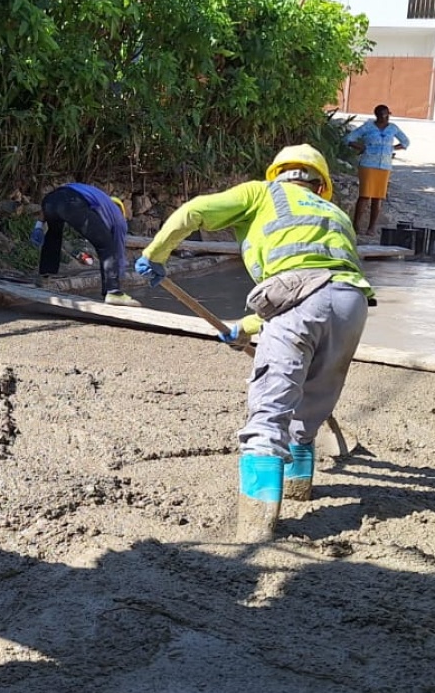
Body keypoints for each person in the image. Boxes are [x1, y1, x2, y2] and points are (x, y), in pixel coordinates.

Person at [134, 145, 374, 542]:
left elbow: (194, 212)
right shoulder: (334, 214)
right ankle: (299, 484)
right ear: (320, 184)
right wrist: (245, 327)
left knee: (270, 407)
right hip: (352, 302)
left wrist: (155, 254)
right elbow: (321, 284)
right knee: (313, 399)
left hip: (297, 298)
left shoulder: (261, 193)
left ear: (278, 173)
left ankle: (255, 529)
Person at [30, 183, 141, 306]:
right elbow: (117, 247)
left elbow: (56, 198)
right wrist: (118, 272)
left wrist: (39, 225)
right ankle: (113, 291)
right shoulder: (118, 218)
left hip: (50, 201)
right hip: (72, 202)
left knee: (54, 234)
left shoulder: (98, 199)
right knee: (106, 245)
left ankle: (45, 276)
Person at [346, 104, 409, 236]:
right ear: (376, 115)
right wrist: (362, 148)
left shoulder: (393, 128)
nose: (384, 117)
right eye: (381, 114)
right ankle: (355, 225)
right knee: (364, 195)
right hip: (368, 163)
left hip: (384, 166)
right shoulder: (368, 127)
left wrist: (391, 149)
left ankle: (371, 227)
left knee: (378, 197)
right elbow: (349, 138)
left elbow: (405, 142)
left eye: (386, 114)